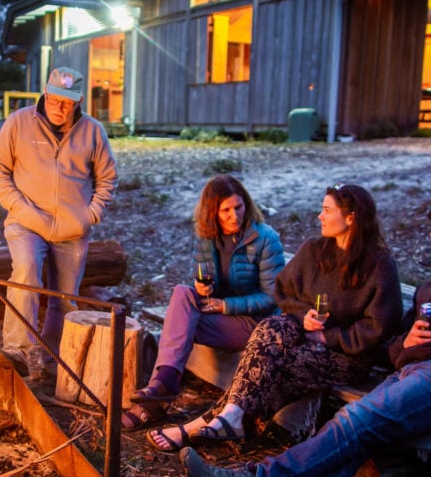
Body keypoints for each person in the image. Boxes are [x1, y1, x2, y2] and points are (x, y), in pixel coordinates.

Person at [181, 239, 431, 477]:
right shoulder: (427, 289)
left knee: (357, 419)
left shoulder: (381, 265)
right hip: (409, 371)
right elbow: (393, 349)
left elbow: (376, 333)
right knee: (357, 431)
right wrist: (406, 343)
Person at [147, 183, 404, 451]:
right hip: (305, 333)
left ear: (350, 217)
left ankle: (201, 425)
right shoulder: (314, 249)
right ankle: (231, 417)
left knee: (273, 368)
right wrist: (303, 316)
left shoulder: (379, 265)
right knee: (270, 327)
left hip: (347, 354)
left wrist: (328, 336)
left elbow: (379, 328)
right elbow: (284, 292)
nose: (320, 216)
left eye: (327, 210)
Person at [122, 174, 285, 433]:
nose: (234, 216)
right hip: (222, 317)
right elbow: (203, 278)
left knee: (179, 327)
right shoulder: (207, 237)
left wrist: (225, 306)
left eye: (238, 207)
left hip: (256, 324)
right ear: (213, 212)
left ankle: (155, 400)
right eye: (226, 210)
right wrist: (203, 288)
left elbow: (272, 297)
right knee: (182, 293)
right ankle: (164, 382)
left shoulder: (265, 238)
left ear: (246, 205)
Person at [0, 67, 118, 378]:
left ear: (79, 101)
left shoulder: (93, 131)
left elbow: (107, 178)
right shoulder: (19, 122)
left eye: (68, 102)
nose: (60, 108)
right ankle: (16, 350)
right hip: (26, 222)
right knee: (26, 270)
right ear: (45, 93)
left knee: (65, 297)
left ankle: (53, 366)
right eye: (55, 99)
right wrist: (17, 206)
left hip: (73, 229)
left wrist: (90, 214)